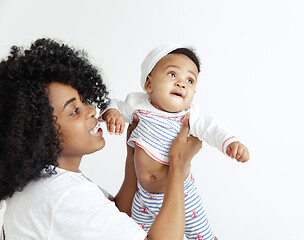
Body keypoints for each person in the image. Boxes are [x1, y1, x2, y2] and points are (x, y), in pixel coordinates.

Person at [0, 38, 202, 239]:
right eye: (74, 111)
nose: (91, 111)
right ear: (39, 132)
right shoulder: (65, 196)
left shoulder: (50, 183)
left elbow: (118, 215)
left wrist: (132, 152)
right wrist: (178, 163)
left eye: (84, 100)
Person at [101, 44, 250, 240]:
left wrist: (231, 143)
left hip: (183, 195)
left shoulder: (189, 116)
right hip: (144, 196)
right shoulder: (137, 105)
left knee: (204, 237)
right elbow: (112, 103)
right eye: (172, 75)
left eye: (190, 80)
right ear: (149, 84)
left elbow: (212, 127)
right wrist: (113, 113)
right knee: (132, 233)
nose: (181, 84)